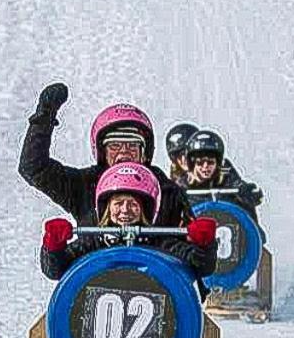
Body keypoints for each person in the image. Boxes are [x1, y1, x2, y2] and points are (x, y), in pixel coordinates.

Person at [19, 82, 195, 228]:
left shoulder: (167, 189)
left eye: (132, 145)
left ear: (144, 152)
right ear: (102, 151)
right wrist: (44, 117)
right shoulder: (83, 185)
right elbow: (34, 168)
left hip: (153, 269)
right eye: (115, 146)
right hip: (98, 269)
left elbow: (190, 246)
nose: (124, 151)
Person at [40, 163, 218, 282]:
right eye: (118, 204)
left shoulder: (160, 241)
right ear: (106, 209)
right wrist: (54, 245)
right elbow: (55, 270)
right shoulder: (95, 240)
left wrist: (204, 244)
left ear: (146, 210)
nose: (125, 210)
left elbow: (202, 267)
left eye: (133, 204)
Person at [178, 130, 263, 221]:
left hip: (228, 229)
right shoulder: (181, 187)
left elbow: (248, 192)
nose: (205, 167)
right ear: (192, 164)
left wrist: (247, 193)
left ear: (218, 163)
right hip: (196, 231)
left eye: (210, 162)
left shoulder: (229, 181)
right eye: (200, 163)